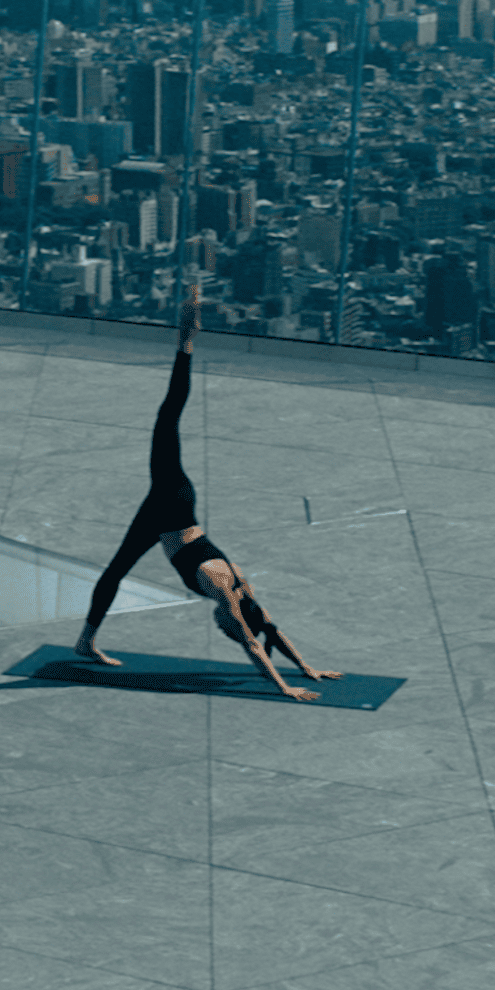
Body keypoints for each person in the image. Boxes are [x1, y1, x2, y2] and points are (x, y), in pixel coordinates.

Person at [75, 288, 340, 701]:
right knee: (168, 419)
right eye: (225, 627)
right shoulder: (229, 599)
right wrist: (287, 687)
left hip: (172, 509)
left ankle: (85, 641)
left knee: (116, 571)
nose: (220, 627)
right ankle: (185, 341)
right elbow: (255, 645)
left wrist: (308, 668)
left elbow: (272, 632)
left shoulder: (246, 592)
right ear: (233, 620)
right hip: (171, 506)